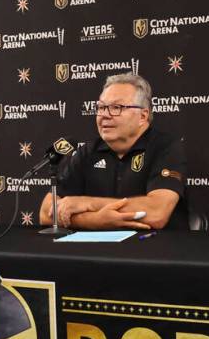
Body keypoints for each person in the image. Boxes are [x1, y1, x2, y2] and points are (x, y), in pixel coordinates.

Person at [40, 73, 188, 230]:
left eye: (116, 107)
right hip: (95, 251)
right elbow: (45, 213)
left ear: (142, 116)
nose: (104, 115)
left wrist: (86, 203)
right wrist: (94, 220)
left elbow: (156, 212)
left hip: (154, 249)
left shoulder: (166, 147)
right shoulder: (88, 152)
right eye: (101, 107)